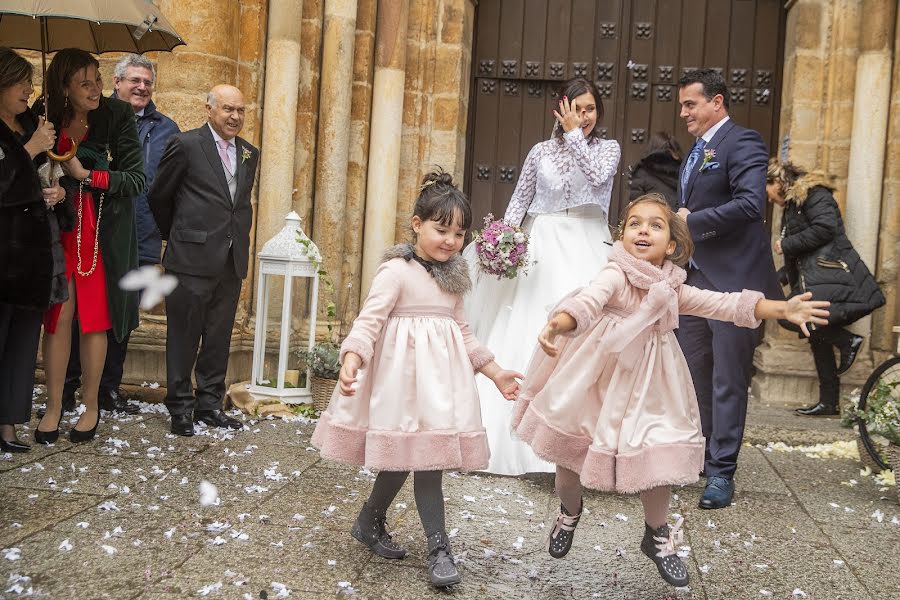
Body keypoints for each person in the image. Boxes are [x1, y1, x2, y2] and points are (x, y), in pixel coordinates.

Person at [512, 194, 829, 587]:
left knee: (656, 454)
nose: (643, 230)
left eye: (655, 225)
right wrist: (559, 323)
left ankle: (657, 533)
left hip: (652, 380)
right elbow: (589, 302)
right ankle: (569, 511)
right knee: (569, 457)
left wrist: (781, 309)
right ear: (622, 235)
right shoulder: (615, 274)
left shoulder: (673, 288)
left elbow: (724, 304)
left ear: (673, 245)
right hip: (596, 374)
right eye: (634, 223)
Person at [311, 171, 522, 588]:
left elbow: (463, 332)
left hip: (442, 388)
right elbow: (368, 321)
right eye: (441, 229)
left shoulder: (455, 279)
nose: (450, 241)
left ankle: (375, 522)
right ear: (416, 224)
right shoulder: (396, 272)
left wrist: (495, 372)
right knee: (408, 456)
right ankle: (436, 546)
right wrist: (352, 358)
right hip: (401, 387)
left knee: (427, 460)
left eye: (459, 234)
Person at [464, 77, 620, 475]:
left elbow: (599, 179)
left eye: (590, 110)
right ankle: (506, 432)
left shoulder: (608, 149)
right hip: (543, 243)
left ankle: (576, 441)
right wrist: (504, 239)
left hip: (587, 241)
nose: (583, 117)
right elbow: (521, 198)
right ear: (561, 107)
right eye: (576, 109)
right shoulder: (539, 152)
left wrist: (574, 137)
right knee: (525, 325)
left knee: (585, 333)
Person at [674, 68, 781, 509]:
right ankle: (697, 456)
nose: (683, 113)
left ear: (717, 102)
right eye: (682, 105)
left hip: (735, 280)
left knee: (727, 379)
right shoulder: (696, 152)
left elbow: (752, 204)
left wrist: (690, 223)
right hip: (696, 278)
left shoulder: (743, 141)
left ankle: (721, 473)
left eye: (690, 104)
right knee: (692, 370)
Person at [61, 54, 180, 415]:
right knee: (79, 309)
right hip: (95, 227)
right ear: (117, 82)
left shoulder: (167, 129)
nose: (141, 87)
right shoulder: (98, 118)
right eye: (134, 81)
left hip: (142, 231)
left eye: (147, 82)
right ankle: (68, 386)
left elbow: (169, 184)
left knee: (123, 311)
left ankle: (108, 388)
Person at [36, 48, 144, 445]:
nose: (96, 88)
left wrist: (88, 175)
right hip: (56, 231)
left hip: (100, 234)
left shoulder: (118, 116)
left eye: (97, 79)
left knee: (95, 319)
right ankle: (52, 406)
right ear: (63, 86)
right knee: (58, 317)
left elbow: (135, 180)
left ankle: (92, 405)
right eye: (85, 83)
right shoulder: (44, 112)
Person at [148, 85, 259, 437]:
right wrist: (181, 235)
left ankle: (209, 404)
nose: (235, 117)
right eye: (228, 109)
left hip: (230, 259)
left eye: (240, 110)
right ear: (208, 109)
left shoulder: (249, 153)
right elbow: (159, 197)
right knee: (183, 334)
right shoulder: (186, 144)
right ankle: (180, 406)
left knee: (219, 336)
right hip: (190, 257)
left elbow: (237, 203)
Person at [766, 159, 885, 416]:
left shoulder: (814, 194)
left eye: (770, 192)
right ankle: (829, 402)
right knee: (816, 335)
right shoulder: (793, 206)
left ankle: (848, 340)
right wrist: (781, 276)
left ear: (778, 181)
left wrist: (785, 245)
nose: (770, 200)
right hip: (815, 277)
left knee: (791, 319)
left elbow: (825, 229)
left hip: (831, 273)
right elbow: (801, 255)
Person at [0, 48, 66, 452]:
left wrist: (58, 192)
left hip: (30, 260)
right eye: (21, 82)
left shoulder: (31, 124)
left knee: (22, 344)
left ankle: (7, 425)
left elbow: (37, 179)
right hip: (3, 255)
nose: (29, 89)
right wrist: (30, 150)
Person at [628, 131, 683, 211]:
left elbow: (636, 205)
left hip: (654, 218)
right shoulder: (684, 170)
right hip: (678, 219)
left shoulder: (642, 172)